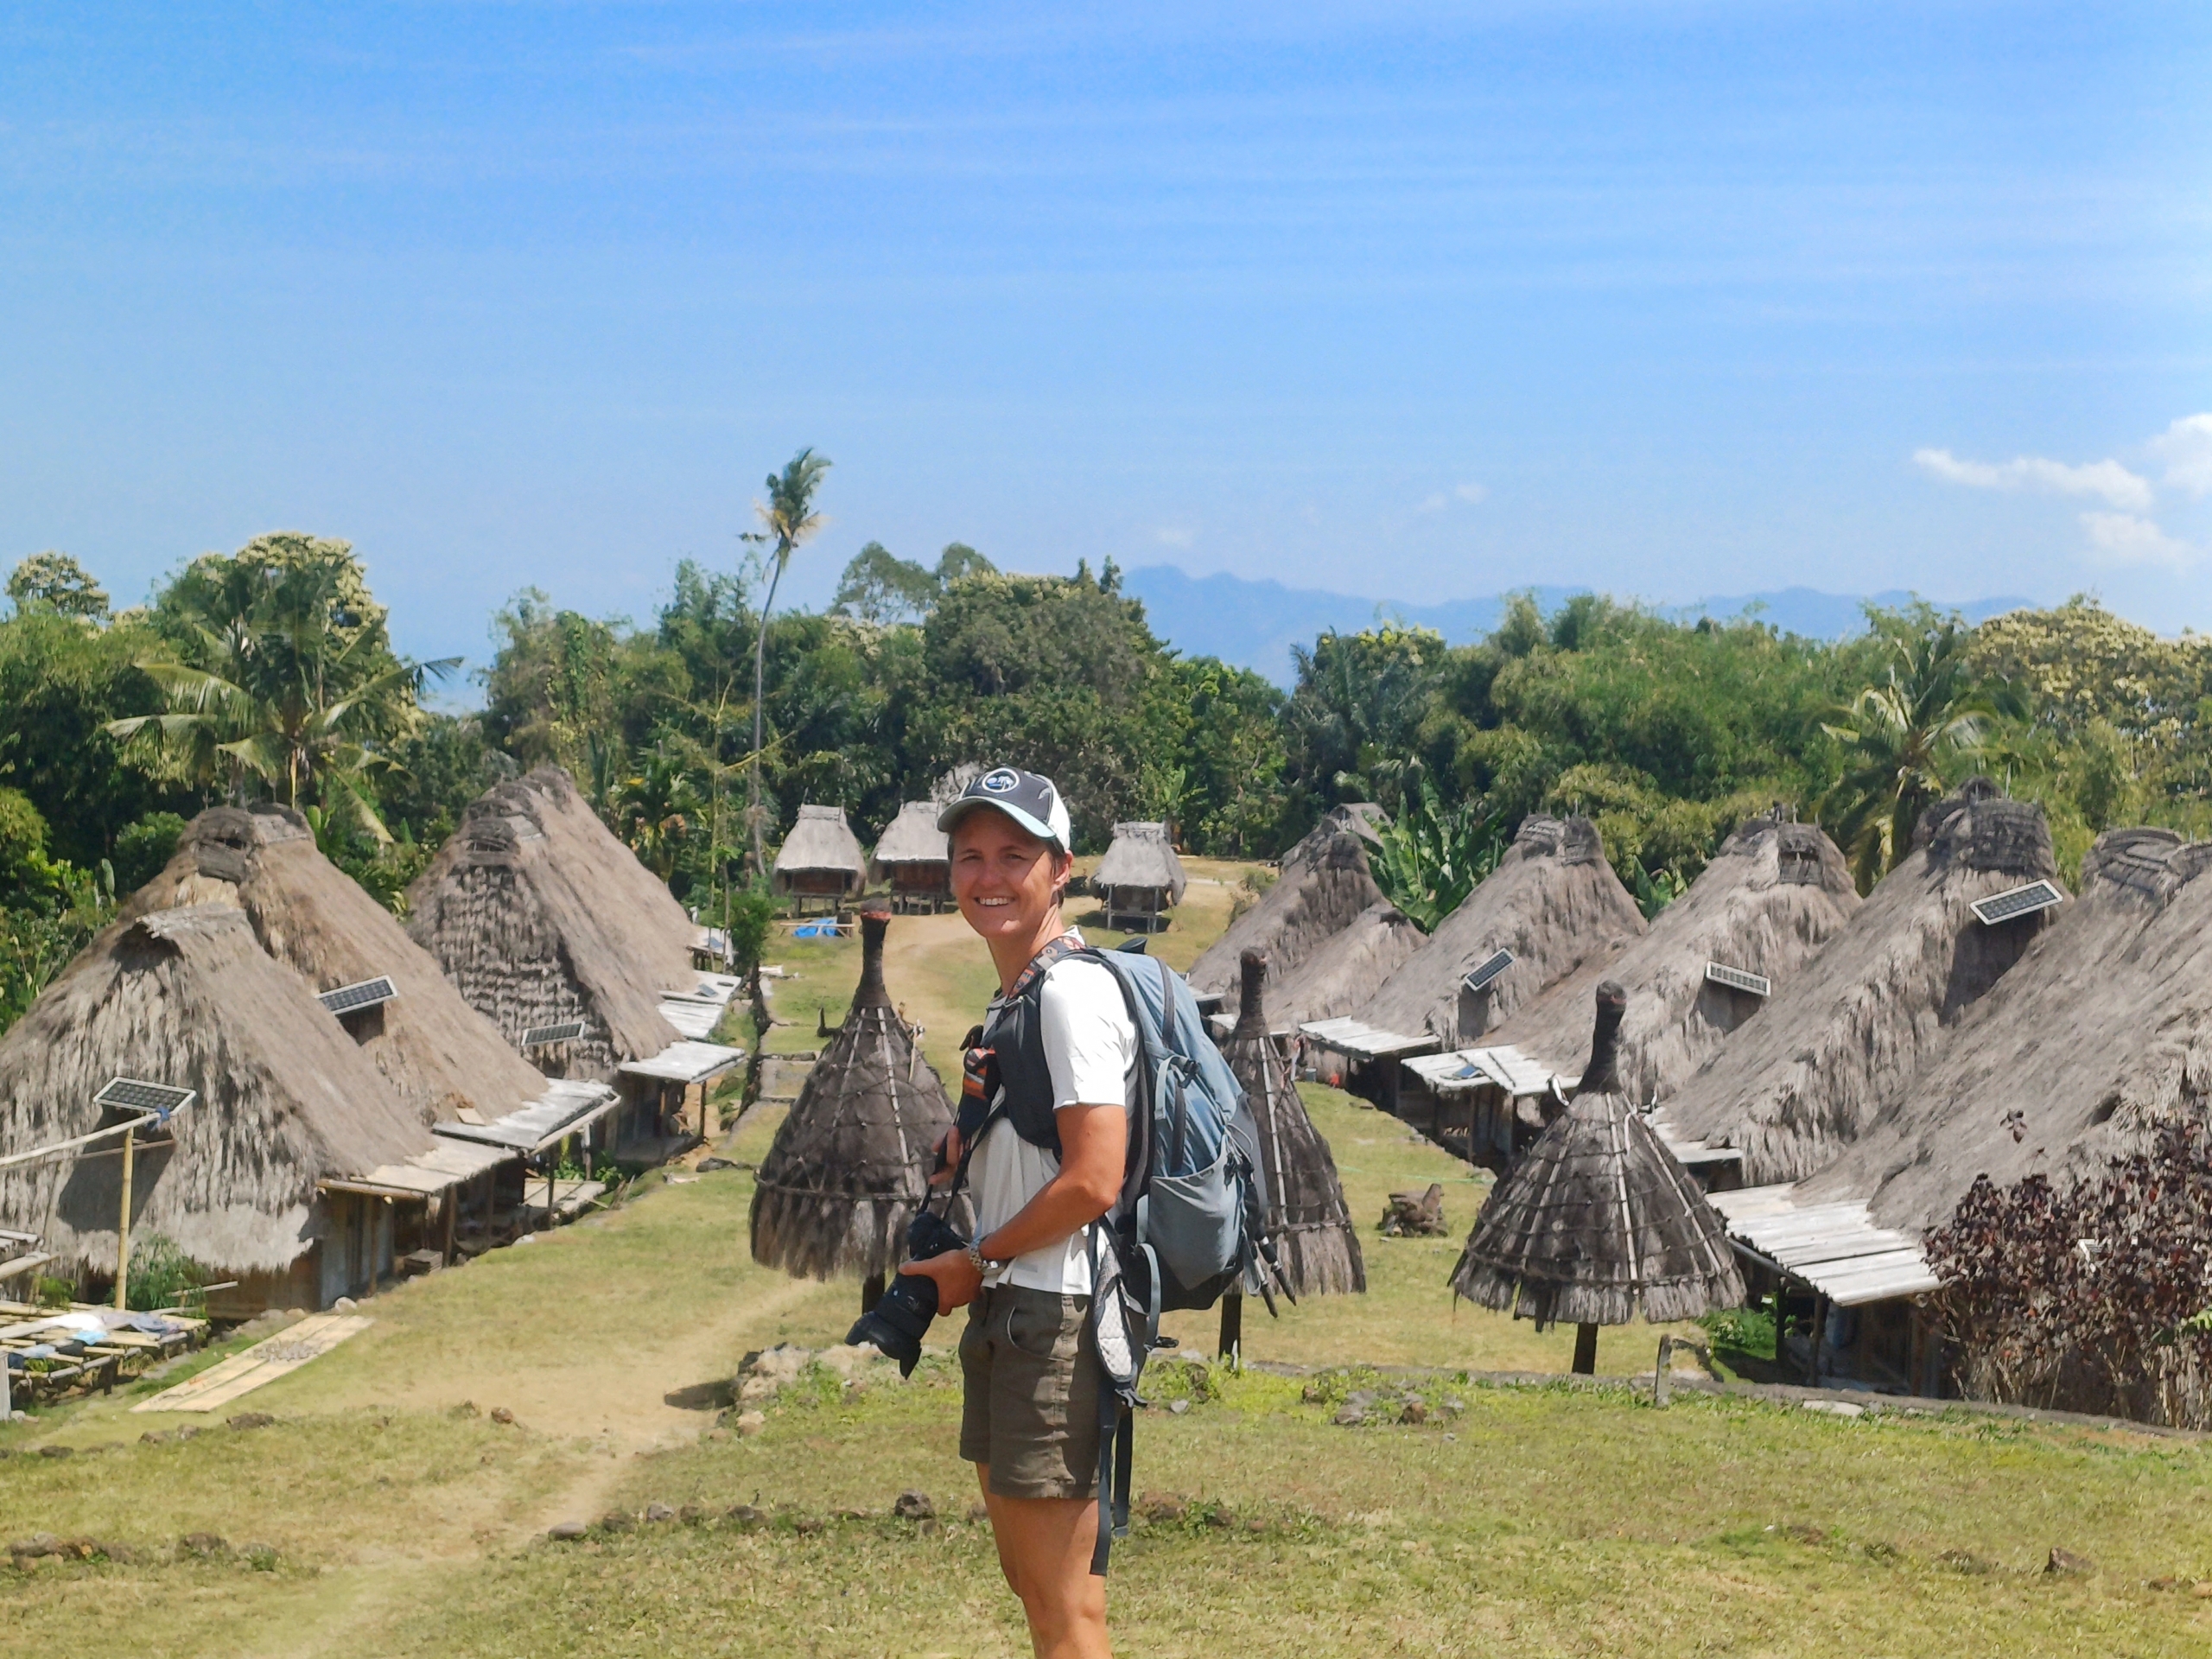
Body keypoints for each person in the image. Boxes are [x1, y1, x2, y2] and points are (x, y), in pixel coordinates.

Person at [899, 766, 1131, 1659]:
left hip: (1050, 1310)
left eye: (1014, 855)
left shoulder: (1070, 995)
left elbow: (1093, 1182)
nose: (988, 876)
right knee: (1038, 1593)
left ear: (1061, 868)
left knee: (1063, 1606)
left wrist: (978, 1259)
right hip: (1016, 1307)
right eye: (969, 856)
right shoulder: (1017, 998)